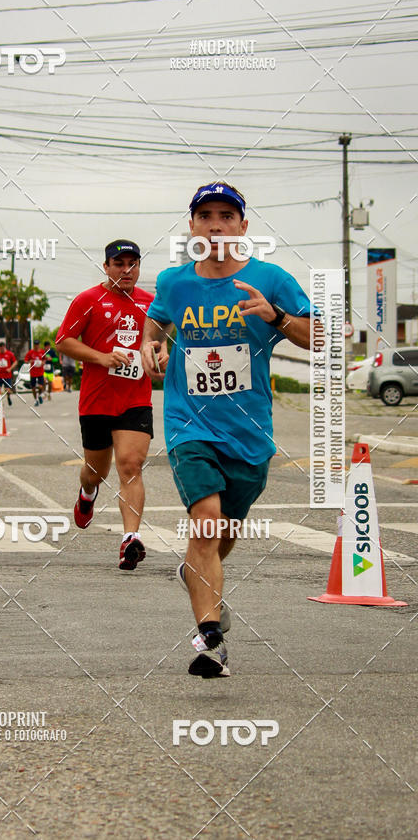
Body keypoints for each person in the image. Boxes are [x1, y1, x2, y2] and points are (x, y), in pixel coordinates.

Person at [141, 181, 317, 678]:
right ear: (192, 226)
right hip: (188, 423)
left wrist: (277, 316)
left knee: (222, 531)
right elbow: (154, 328)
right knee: (207, 519)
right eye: (205, 215)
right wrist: (150, 348)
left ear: (243, 226)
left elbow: (322, 337)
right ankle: (209, 638)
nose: (215, 224)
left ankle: (194, 573)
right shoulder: (175, 282)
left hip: (249, 431)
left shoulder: (271, 278)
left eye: (225, 215)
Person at [56, 240, 154, 570]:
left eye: (133, 264)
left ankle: (130, 538)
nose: (126, 270)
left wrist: (160, 354)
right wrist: (101, 357)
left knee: (131, 465)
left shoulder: (150, 304)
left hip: (135, 399)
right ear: (106, 266)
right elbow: (64, 341)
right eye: (119, 263)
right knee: (96, 472)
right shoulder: (88, 300)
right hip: (97, 399)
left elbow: (159, 342)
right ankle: (87, 493)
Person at [24, 340, 46, 406]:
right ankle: (36, 400)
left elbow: (44, 359)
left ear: (39, 345)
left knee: (40, 386)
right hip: (33, 372)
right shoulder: (31, 352)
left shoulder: (42, 352)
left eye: (37, 344)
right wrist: (29, 361)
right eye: (35, 345)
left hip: (40, 372)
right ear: (34, 345)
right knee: (33, 388)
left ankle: (39, 395)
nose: (36, 346)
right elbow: (25, 360)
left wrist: (43, 362)